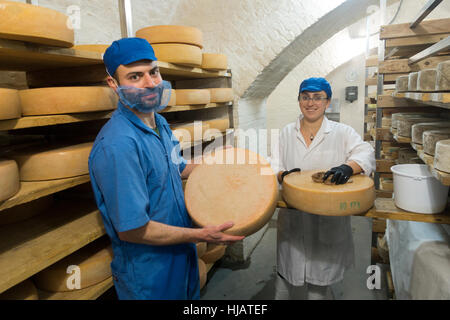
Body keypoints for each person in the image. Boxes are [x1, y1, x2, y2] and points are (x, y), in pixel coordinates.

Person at [88, 37, 244, 300]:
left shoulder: (158, 122)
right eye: (135, 76)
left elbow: (177, 167)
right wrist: (202, 234)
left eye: (154, 72)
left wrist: (214, 161)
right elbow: (133, 229)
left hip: (181, 255)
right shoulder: (118, 145)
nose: (150, 84)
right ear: (113, 84)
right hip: (150, 271)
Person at [270, 77, 375, 300]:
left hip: (328, 219)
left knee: (317, 291)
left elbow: (365, 152)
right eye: (305, 97)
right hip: (293, 218)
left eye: (318, 98)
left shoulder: (341, 131)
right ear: (299, 101)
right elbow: (274, 164)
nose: (311, 103)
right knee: (283, 283)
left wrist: (349, 167)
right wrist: (282, 175)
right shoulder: (287, 132)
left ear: (327, 102)